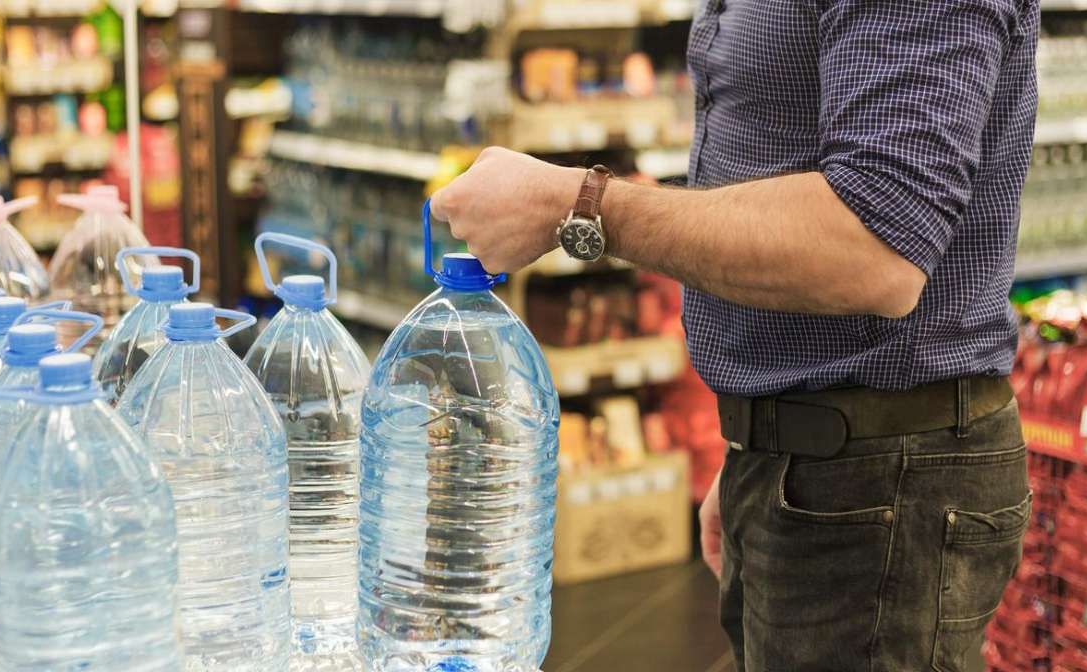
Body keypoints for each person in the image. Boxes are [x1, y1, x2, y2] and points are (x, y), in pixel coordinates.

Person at [429, 0, 1039, 670]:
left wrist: (580, 205)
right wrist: (768, 431)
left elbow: (875, 247)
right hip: (820, 456)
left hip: (882, 483)